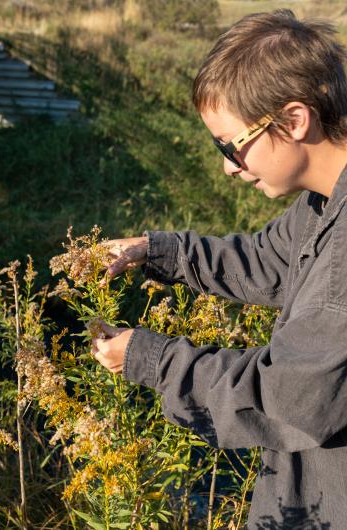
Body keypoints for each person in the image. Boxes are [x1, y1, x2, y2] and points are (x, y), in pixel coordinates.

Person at [92, 9, 347, 528]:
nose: (228, 166)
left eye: (231, 145)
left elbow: (289, 399)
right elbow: (266, 260)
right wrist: (156, 250)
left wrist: (150, 359)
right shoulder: (325, 204)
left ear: (295, 119)